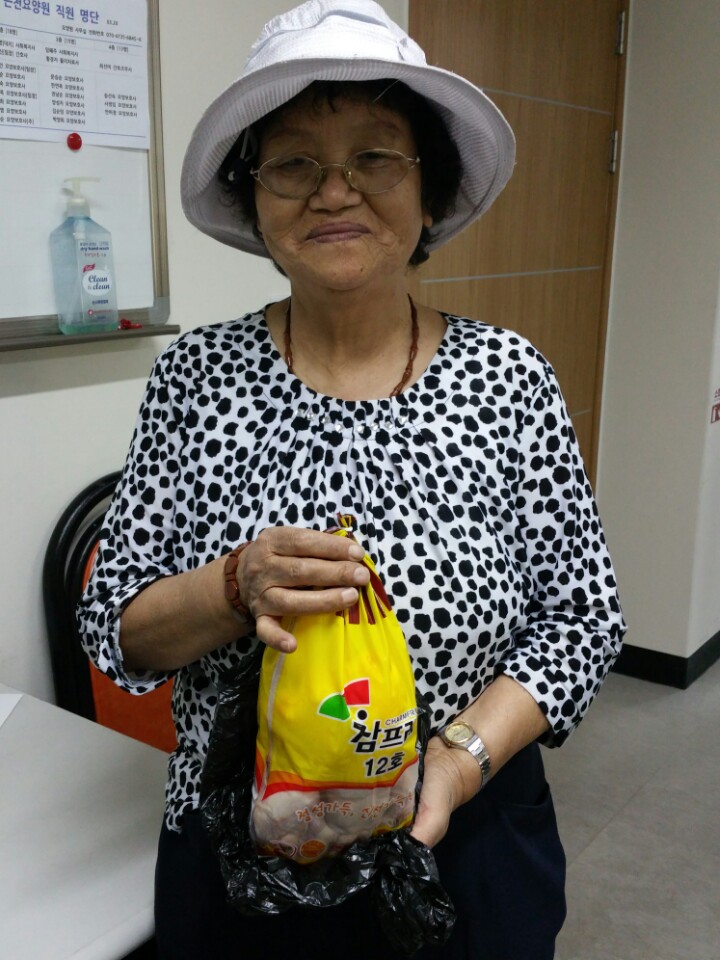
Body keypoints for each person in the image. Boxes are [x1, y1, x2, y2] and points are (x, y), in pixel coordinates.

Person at [77, 2, 626, 958]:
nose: (335, 192)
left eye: (375, 157)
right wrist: (233, 585)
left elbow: (583, 619)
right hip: (240, 853)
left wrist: (459, 762)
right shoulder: (195, 378)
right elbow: (114, 624)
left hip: (465, 843)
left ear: (429, 193)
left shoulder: (509, 378)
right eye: (294, 163)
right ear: (256, 198)